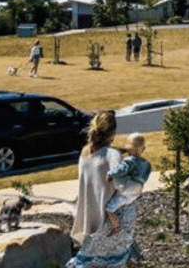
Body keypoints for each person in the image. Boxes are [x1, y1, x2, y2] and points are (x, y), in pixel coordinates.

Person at [68, 111, 140, 268]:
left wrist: (120, 151)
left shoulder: (85, 153)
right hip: (112, 223)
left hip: (91, 222)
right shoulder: (113, 156)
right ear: (113, 132)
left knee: (90, 262)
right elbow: (122, 186)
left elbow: (101, 160)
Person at [105, 133, 151, 234]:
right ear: (143, 149)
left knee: (109, 208)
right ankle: (122, 208)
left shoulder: (129, 161)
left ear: (129, 148)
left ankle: (116, 227)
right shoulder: (147, 163)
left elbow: (120, 170)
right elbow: (146, 176)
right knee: (124, 199)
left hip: (126, 188)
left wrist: (110, 174)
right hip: (137, 191)